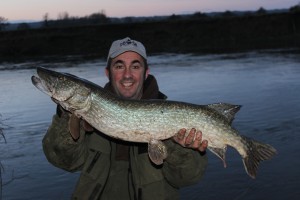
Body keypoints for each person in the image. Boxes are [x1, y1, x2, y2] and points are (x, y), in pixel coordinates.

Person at [42, 37, 208, 200]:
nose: (127, 75)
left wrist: (177, 146)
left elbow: (188, 178)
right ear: (108, 72)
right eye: (119, 66)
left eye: (135, 66)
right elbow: (64, 161)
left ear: (146, 73)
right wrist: (66, 115)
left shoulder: (171, 114)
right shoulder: (88, 113)